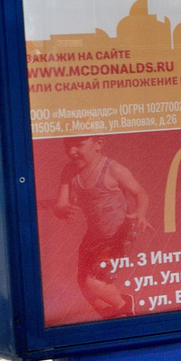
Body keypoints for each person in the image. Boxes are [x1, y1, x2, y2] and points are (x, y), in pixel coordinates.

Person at [51, 135, 152, 319]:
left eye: (79, 145)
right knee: (83, 283)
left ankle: (124, 306)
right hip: (95, 235)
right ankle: (113, 317)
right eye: (68, 146)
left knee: (94, 283)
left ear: (98, 144)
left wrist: (140, 213)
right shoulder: (69, 171)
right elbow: (59, 205)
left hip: (118, 234)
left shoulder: (113, 169)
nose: (72, 152)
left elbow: (140, 192)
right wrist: (63, 210)